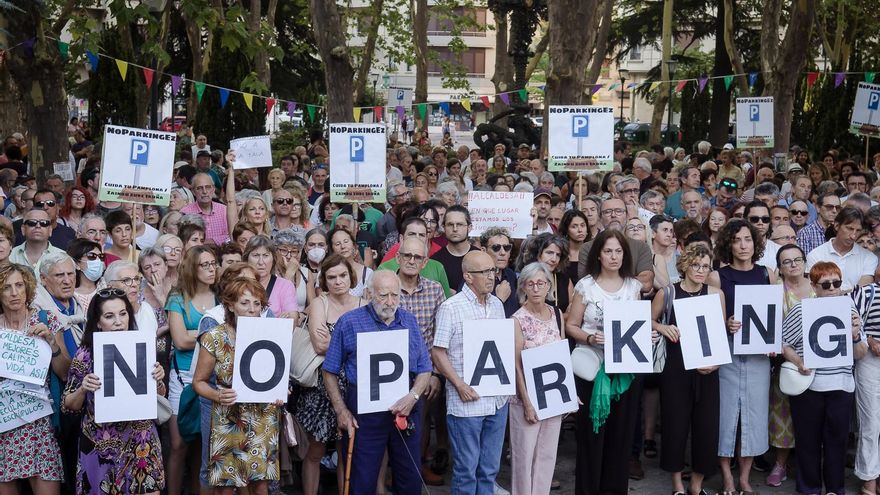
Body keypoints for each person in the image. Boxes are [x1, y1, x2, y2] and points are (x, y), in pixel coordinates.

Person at [323, 270, 432, 494]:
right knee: (362, 479)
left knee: (410, 478)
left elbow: (425, 369)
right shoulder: (350, 322)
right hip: (364, 411)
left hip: (405, 408)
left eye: (395, 295)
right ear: (370, 293)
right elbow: (329, 370)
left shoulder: (409, 321)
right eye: (383, 295)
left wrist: (413, 397)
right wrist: (341, 410)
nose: (390, 302)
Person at [61, 288, 166, 495]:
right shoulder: (85, 355)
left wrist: (159, 381)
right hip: (101, 445)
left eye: (123, 313)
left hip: (141, 440)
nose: (118, 321)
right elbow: (68, 405)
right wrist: (83, 388)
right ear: (98, 322)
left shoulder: (141, 345)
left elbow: (159, 396)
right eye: (109, 316)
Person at [566, 229, 644, 495]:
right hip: (592, 369)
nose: (614, 256)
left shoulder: (634, 287)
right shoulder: (585, 286)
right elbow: (571, 326)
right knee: (591, 436)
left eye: (618, 251)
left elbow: (637, 324)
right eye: (608, 251)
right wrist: (589, 338)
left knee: (620, 436)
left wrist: (649, 333)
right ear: (598, 254)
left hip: (624, 372)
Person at [781, 262, 866, 495]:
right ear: (814, 287)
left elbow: (860, 353)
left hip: (841, 386)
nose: (831, 288)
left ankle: (835, 488)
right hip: (809, 386)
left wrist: (856, 336)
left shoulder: (850, 310)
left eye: (836, 283)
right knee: (807, 441)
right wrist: (799, 363)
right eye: (825, 284)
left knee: (837, 441)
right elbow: (784, 343)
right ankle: (809, 488)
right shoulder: (801, 309)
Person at [191, 277, 280, 493]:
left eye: (257, 303)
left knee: (261, 483)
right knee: (226, 486)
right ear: (230, 305)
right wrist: (217, 395)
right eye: (245, 303)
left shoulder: (271, 332)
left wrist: (280, 391)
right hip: (228, 418)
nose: (252, 309)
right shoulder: (215, 336)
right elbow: (198, 382)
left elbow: (278, 375)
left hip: (263, 417)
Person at [707, 219, 776, 495]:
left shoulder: (767, 273)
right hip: (729, 352)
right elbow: (712, 321)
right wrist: (726, 323)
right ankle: (726, 476)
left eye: (748, 239)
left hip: (759, 356)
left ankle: (745, 478)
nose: (743, 245)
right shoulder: (717, 276)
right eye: (737, 240)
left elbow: (773, 316)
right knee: (725, 416)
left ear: (755, 243)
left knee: (754, 416)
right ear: (728, 244)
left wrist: (773, 341)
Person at [433, 251, 509, 494]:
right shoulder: (451, 308)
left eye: (493, 271)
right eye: (485, 272)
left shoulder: (497, 304)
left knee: (489, 470)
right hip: (466, 403)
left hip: (497, 401)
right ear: (468, 276)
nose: (492, 277)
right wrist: (460, 385)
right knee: (466, 471)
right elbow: (438, 352)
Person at [652, 244, 722, 495]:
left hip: (707, 368)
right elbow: (647, 319)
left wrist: (715, 362)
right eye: (696, 265)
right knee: (675, 425)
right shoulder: (668, 293)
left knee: (706, 427)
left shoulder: (715, 293)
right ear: (685, 265)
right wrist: (661, 328)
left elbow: (719, 331)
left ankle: (696, 485)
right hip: (676, 368)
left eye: (705, 266)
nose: (701, 270)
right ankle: (677, 485)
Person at [295, 255, 366, 495]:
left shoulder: (363, 304)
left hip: (355, 386)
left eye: (343, 275)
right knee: (315, 451)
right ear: (324, 280)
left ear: (351, 276)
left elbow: (368, 346)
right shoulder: (319, 303)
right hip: (322, 386)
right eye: (332, 277)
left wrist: (336, 342)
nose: (338, 281)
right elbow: (319, 345)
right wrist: (353, 344)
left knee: (346, 448)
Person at [0, 263, 65, 495]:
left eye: (19, 285)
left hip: (39, 425)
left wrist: (51, 342)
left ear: (28, 288)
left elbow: (65, 372)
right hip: (3, 425)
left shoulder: (46, 320)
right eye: (7, 287)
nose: (14, 292)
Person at [166, 244, 218, 495]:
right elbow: (179, 341)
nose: (211, 269)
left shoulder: (221, 296)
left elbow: (192, 338)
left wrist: (193, 333)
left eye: (213, 264)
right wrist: (211, 336)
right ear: (192, 268)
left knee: (203, 443)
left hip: (211, 377)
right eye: (204, 265)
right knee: (178, 443)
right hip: (182, 376)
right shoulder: (177, 298)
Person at [394, 237, 447, 484]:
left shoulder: (435, 290)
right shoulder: (384, 287)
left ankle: (416, 469)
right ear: (398, 257)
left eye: (417, 257)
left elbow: (441, 336)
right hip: (388, 369)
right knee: (387, 422)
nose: (411, 261)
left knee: (421, 421)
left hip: (423, 370)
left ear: (425, 262)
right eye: (407, 256)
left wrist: (436, 373)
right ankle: (390, 474)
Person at [511, 262, 566, 495]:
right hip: (526, 397)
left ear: (548, 286)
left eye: (540, 283)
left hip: (553, 395)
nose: (535, 288)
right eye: (530, 283)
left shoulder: (557, 314)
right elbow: (515, 365)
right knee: (523, 457)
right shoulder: (517, 319)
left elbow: (562, 355)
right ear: (523, 286)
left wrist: (568, 395)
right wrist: (527, 402)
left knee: (547, 455)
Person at [806, 206, 877, 292]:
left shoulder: (869, 257)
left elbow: (863, 291)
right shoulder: (815, 255)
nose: (853, 235)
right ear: (836, 226)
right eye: (850, 228)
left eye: (858, 230)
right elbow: (813, 289)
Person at [241, 235, 297, 318]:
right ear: (246, 259)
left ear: (273, 259)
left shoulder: (285, 286)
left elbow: (292, 318)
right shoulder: (238, 284)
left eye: (265, 255)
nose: (261, 262)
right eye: (256, 255)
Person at [431, 205, 480, 292]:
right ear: (444, 227)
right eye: (450, 224)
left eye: (460, 224)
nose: (455, 229)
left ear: (469, 227)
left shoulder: (480, 257)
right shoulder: (435, 261)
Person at [9, 208, 66, 276]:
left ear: (50, 230)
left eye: (44, 223)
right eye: (32, 223)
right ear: (23, 229)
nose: (38, 226)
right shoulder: (9, 256)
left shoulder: (63, 257)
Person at [479, 227, 519, 317]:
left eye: (507, 247)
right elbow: (470, 315)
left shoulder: (511, 275)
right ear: (483, 251)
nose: (503, 252)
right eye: (496, 248)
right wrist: (499, 300)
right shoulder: (476, 277)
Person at [181, 173, 229, 245]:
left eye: (208, 187)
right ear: (193, 192)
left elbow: (230, 236)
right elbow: (183, 239)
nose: (204, 191)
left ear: (213, 189)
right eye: (199, 188)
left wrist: (208, 242)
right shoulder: (185, 213)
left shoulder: (224, 210)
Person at [327, 227, 373, 297]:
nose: (343, 246)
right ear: (332, 249)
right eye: (337, 244)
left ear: (354, 245)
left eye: (346, 241)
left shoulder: (367, 273)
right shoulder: (325, 272)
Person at [66, 238, 105, 311]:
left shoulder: (107, 288)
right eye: (92, 256)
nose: (98, 261)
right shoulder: (68, 294)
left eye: (101, 256)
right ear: (77, 264)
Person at [560, 209, 590, 282]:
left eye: (582, 225)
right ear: (566, 230)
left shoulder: (592, 251)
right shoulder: (561, 253)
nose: (580, 230)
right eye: (574, 226)